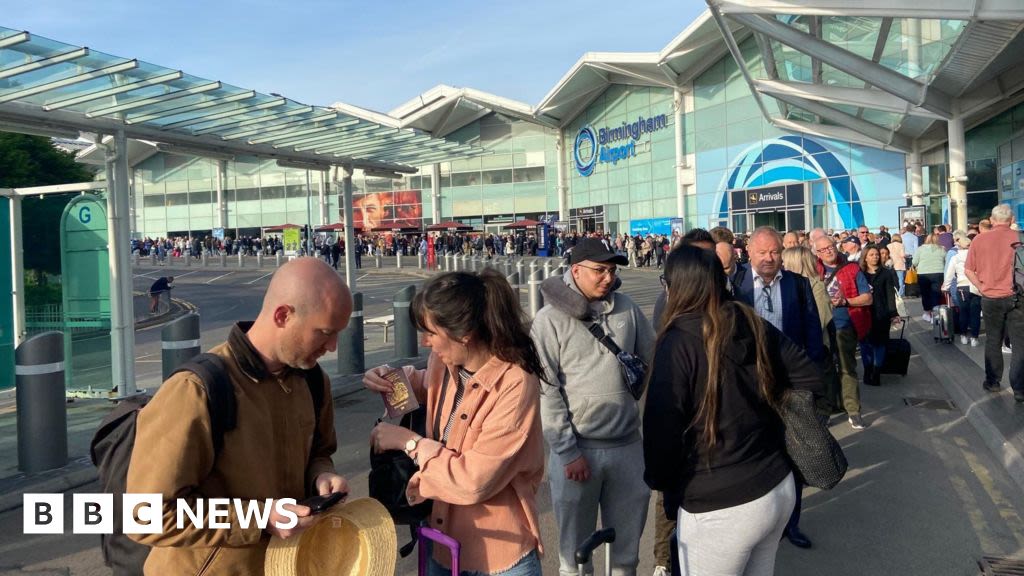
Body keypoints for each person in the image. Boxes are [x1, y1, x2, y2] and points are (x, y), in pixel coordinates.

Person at [127, 258, 351, 575]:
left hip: (286, 565)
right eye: (324, 333)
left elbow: (320, 451)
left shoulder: (312, 381)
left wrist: (321, 474)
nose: (332, 346)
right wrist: (260, 518)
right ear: (283, 315)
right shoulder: (195, 390)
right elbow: (144, 516)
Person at [644, 245, 823, 576]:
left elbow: (661, 436)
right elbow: (810, 377)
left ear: (677, 286)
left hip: (719, 501)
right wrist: (765, 412)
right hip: (776, 486)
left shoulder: (677, 340)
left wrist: (664, 485)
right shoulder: (749, 319)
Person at [365, 269, 546, 575]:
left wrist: (407, 442)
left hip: (498, 557)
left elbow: (472, 481)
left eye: (431, 333)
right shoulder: (446, 361)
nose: (424, 342)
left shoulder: (514, 384)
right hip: (440, 542)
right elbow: (424, 386)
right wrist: (389, 378)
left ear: (465, 333)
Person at [532, 238, 655, 576]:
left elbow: (650, 359)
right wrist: (567, 452)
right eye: (599, 270)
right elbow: (547, 389)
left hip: (628, 447)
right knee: (574, 556)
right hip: (577, 453)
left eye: (612, 270)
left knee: (627, 553)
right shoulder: (548, 321)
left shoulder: (627, 308)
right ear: (576, 271)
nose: (607, 277)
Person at [731, 227, 822, 549]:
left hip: (790, 388)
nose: (769, 259)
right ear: (749, 253)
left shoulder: (798, 286)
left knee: (794, 455)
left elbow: (813, 334)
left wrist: (810, 382)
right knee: (750, 455)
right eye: (763, 253)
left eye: (775, 252)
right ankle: (752, 526)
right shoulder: (735, 288)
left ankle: (790, 524)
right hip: (748, 388)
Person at [964, 204, 1024, 400]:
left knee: (993, 340)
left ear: (991, 219)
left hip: (990, 297)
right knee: (1019, 344)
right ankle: (1020, 389)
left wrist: (982, 288)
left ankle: (993, 381)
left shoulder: (979, 239)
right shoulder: (1020, 238)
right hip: (1018, 297)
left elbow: (968, 270)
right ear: (1012, 219)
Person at [814, 235, 872, 429]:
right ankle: (827, 409)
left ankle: (853, 410)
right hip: (822, 326)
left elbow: (867, 298)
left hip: (844, 325)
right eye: (823, 249)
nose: (828, 251)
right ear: (817, 253)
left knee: (847, 368)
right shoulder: (814, 270)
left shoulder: (852, 268)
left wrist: (846, 301)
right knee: (826, 369)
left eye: (830, 247)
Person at [859, 244, 899, 387]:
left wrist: (893, 313)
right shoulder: (860, 273)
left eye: (877, 254)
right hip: (864, 312)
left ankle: (876, 372)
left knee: (880, 344)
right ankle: (867, 369)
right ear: (865, 257)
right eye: (871, 255)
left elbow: (890, 294)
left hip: (881, 313)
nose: (875, 257)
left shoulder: (886, 273)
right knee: (865, 344)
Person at [943, 235, 981, 347]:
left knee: (963, 312)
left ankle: (963, 335)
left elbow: (949, 274)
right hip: (976, 286)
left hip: (962, 287)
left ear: (960, 246)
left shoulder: (955, 257)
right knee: (975, 313)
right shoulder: (976, 256)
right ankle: (974, 337)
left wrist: (946, 286)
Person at [913, 234, 947, 323]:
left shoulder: (920, 249)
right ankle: (935, 316)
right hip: (938, 272)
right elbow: (946, 260)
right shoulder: (942, 249)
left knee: (925, 294)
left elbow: (914, 262)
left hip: (923, 273)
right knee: (935, 294)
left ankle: (927, 313)